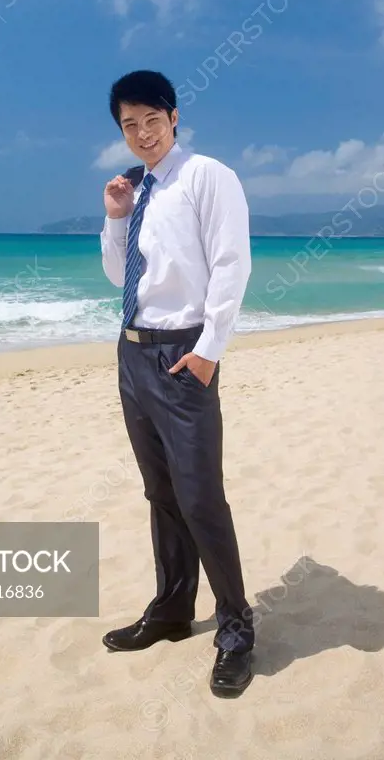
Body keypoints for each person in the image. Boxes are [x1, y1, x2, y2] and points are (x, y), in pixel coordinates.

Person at [99, 69, 255, 698]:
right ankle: (171, 609)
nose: (141, 134)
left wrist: (209, 351)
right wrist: (115, 217)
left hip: (184, 354)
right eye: (128, 125)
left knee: (199, 496)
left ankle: (237, 627)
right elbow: (118, 275)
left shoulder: (207, 176)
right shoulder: (133, 188)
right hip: (132, 354)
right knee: (160, 492)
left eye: (151, 120)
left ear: (174, 117)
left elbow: (230, 263)